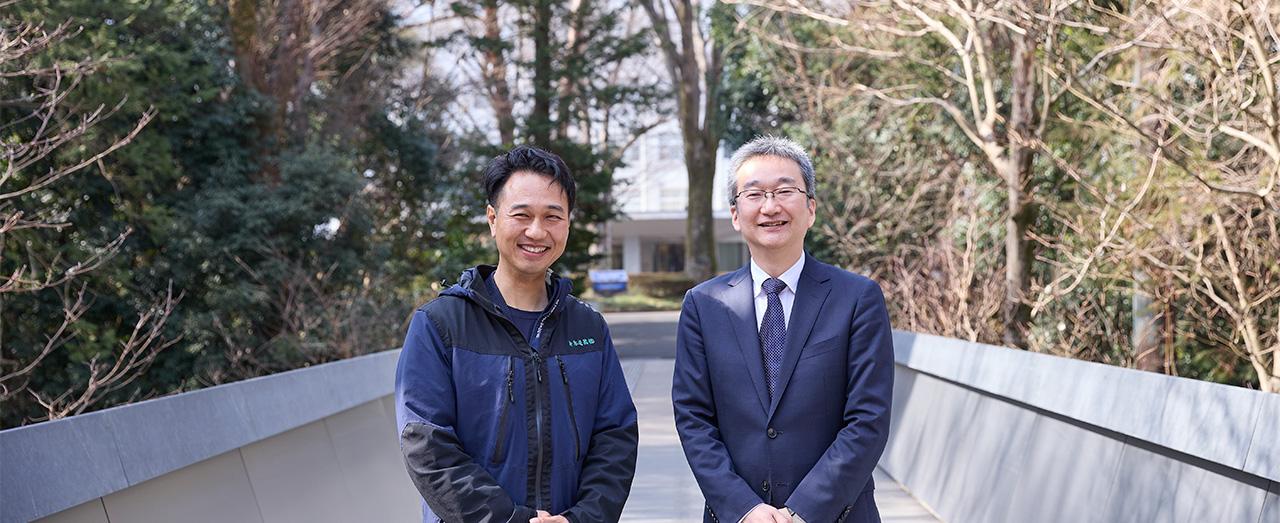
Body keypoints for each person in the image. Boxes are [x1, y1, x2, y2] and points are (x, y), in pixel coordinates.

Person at [395, 145, 638, 523]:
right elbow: (426, 445)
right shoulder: (441, 324)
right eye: (521, 215)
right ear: (493, 219)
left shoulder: (588, 328)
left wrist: (582, 518)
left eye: (552, 216)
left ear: (568, 224)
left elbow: (615, 437)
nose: (536, 231)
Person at [672, 136, 894, 523]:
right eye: (754, 194)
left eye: (785, 191)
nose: (770, 206)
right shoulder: (703, 304)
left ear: (810, 209)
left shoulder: (857, 298)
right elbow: (693, 417)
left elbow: (868, 420)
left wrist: (803, 510)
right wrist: (743, 508)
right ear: (736, 214)